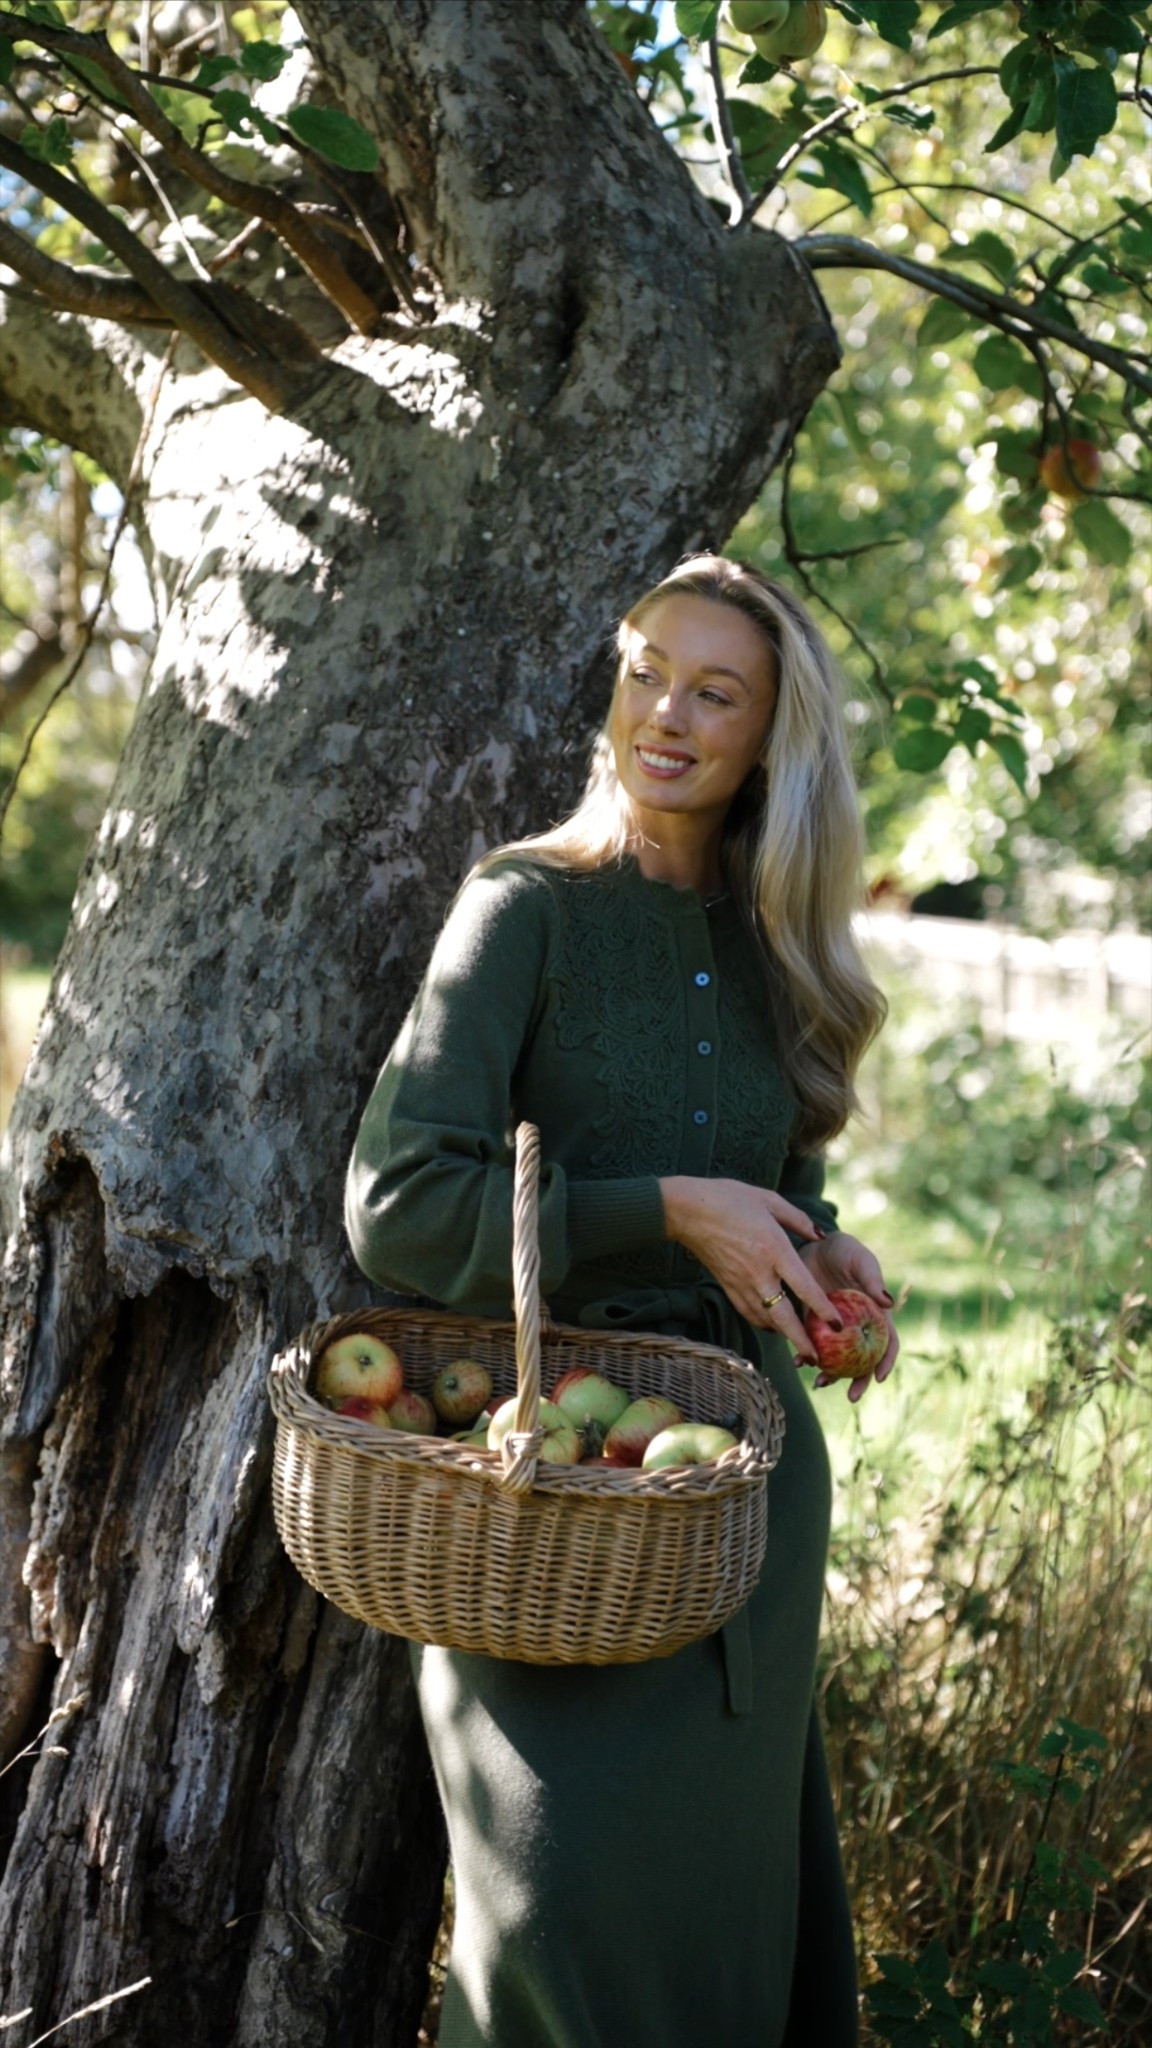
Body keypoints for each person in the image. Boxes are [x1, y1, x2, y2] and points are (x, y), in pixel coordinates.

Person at [344, 554, 898, 2048]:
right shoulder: (523, 908)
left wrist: (822, 1259)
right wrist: (660, 1216)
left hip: (740, 1515)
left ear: (773, 737)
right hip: (551, 1508)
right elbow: (399, 1202)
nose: (666, 712)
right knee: (560, 1934)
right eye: (648, 670)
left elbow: (761, 1181)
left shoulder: (771, 940)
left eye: (716, 692)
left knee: (732, 1943)